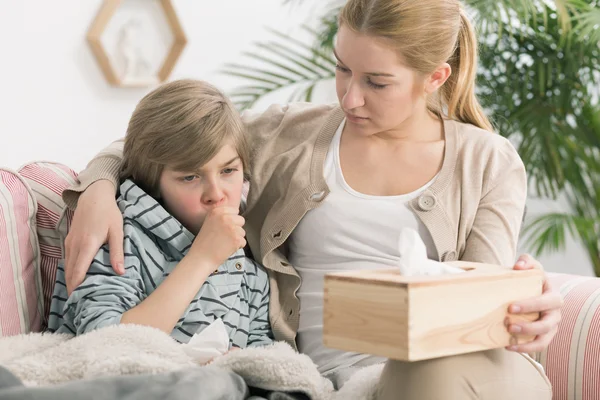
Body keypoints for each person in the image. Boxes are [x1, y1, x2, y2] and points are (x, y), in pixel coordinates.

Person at [59, 0, 562, 398]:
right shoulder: (290, 133)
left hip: (456, 373)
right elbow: (163, 140)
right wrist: (99, 188)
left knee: (426, 373)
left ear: (435, 77)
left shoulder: (488, 162)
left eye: (376, 82)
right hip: (331, 381)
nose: (349, 98)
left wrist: (526, 311)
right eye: (343, 69)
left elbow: (482, 314)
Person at [48, 80, 273, 351]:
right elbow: (106, 343)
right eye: (190, 177)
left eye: (228, 171)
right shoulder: (120, 241)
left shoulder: (250, 272)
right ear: (153, 183)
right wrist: (201, 259)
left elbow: (263, 358)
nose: (216, 193)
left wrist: (237, 363)